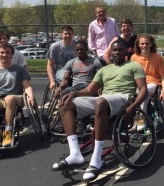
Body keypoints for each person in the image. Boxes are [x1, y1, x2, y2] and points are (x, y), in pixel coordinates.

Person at [51, 40, 147, 182]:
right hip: (104, 99)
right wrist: (74, 94)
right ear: (111, 53)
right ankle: (75, 153)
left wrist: (132, 107)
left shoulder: (134, 66)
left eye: (120, 50)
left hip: (123, 98)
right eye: (115, 50)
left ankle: (96, 159)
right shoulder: (104, 70)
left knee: (101, 101)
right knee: (66, 104)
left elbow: (143, 90)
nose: (117, 53)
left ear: (126, 51)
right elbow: (90, 90)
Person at [130, 34, 164, 130]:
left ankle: (140, 122)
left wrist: (163, 91)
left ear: (151, 44)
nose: (144, 46)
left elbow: (163, 77)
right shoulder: (134, 57)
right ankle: (133, 122)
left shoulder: (158, 58)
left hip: (152, 83)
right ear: (138, 44)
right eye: (142, 43)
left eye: (146, 43)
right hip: (137, 83)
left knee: (143, 93)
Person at [46, 25, 77, 90]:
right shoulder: (55, 47)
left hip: (76, 71)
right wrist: (52, 81)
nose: (68, 36)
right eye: (65, 34)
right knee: (66, 80)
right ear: (62, 35)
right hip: (61, 70)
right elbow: (50, 65)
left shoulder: (78, 46)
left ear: (72, 34)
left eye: (69, 34)